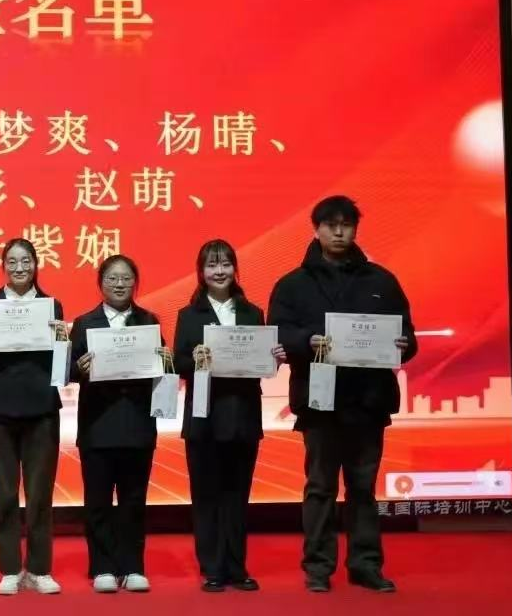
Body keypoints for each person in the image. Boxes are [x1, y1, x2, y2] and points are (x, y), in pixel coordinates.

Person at [268, 196, 417, 593]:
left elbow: (408, 336)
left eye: (346, 225)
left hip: (368, 400)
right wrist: (307, 340)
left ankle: (365, 565)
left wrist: (403, 345)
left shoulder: (381, 281)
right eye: (330, 225)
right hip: (320, 402)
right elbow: (278, 332)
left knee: (363, 488)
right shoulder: (292, 284)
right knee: (320, 487)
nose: (338, 232)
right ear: (316, 229)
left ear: (355, 229)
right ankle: (318, 567)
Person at [173, 240, 287, 592]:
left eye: (225, 264)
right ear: (201, 272)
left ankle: (237, 567)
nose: (219, 271)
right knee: (206, 495)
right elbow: (178, 362)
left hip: (242, 415)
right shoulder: (188, 315)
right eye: (211, 265)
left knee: (237, 495)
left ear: (235, 269)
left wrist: (274, 358)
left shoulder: (253, 313)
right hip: (204, 416)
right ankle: (212, 567)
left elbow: (262, 367)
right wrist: (197, 359)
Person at [0, 238, 65, 596]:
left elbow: (61, 365)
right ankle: (9, 568)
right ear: (3, 266)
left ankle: (39, 569)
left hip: (42, 410)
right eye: (12, 261)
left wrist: (62, 341)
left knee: (40, 495)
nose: (19, 267)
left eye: (26, 261)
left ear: (36, 265)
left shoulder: (51, 306)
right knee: (4, 494)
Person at [69, 254, 170, 594]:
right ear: (101, 283)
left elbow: (160, 370)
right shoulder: (85, 323)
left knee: (133, 501)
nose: (120, 284)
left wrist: (165, 361)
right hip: (97, 425)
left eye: (126, 278)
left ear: (135, 283)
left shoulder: (149, 321)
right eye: (112, 278)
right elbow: (67, 372)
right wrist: (80, 369)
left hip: (138, 423)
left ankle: (133, 566)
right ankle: (102, 567)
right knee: (97, 500)